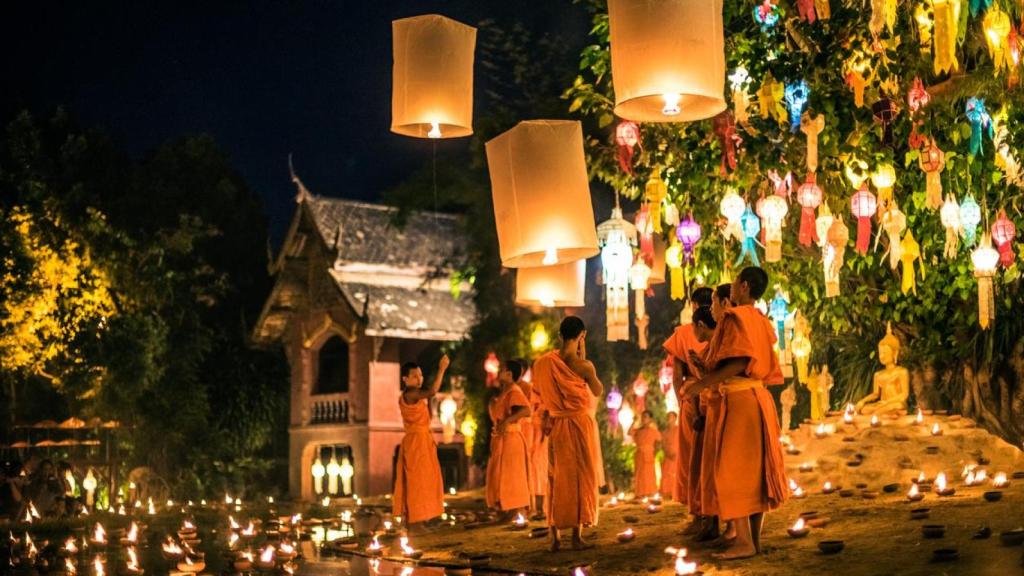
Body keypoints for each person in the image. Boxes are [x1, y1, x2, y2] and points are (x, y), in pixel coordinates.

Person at [685, 267, 789, 560]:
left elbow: (740, 360)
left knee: (731, 471)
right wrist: (707, 370)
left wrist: (702, 384)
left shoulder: (736, 317)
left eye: (733, 284)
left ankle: (744, 541)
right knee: (754, 473)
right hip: (757, 397)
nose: (729, 289)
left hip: (741, 401)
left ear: (743, 286)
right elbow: (742, 361)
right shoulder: (760, 319)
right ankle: (752, 540)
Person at [533, 316, 602, 552]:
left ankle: (555, 538)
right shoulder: (584, 366)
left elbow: (539, 394)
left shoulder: (543, 363)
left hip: (557, 425)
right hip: (580, 425)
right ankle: (576, 536)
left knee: (556, 477)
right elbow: (597, 390)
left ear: (560, 336)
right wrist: (584, 357)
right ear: (581, 336)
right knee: (582, 476)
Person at [662, 287, 713, 525]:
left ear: (693, 307)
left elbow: (677, 376)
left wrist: (682, 400)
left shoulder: (683, 333)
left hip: (692, 398)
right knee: (713, 455)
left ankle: (696, 513)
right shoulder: (721, 329)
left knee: (691, 457)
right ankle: (717, 512)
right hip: (716, 396)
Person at [392, 355, 450, 529]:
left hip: (423, 440)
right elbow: (432, 391)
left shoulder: (414, 394)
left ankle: (420, 518)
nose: (419, 379)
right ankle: (415, 521)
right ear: (405, 379)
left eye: (421, 375)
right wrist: (442, 369)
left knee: (425, 480)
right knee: (417, 481)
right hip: (416, 442)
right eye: (415, 376)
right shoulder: (410, 393)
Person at [485, 359, 533, 517]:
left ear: (510, 374)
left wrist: (507, 420)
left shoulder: (514, 391)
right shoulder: (506, 391)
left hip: (512, 439)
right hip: (503, 439)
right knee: (502, 475)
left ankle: (515, 511)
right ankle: (506, 509)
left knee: (512, 476)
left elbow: (526, 410)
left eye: (502, 370)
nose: (498, 373)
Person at [520, 363, 550, 520]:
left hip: (539, 434)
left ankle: (541, 508)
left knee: (540, 468)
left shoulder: (546, 392)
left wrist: (545, 427)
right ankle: (528, 507)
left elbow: (548, 413)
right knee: (527, 468)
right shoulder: (527, 391)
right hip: (527, 432)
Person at [630, 410, 661, 498]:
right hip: (639, 453)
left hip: (649, 453)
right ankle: (639, 493)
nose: (644, 419)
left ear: (650, 419)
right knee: (639, 473)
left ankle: (650, 492)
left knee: (649, 473)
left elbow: (659, 442)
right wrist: (633, 421)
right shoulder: (638, 430)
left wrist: (655, 452)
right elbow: (629, 432)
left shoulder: (653, 431)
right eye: (643, 417)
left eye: (646, 417)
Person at [659, 411, 679, 501]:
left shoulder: (679, 429)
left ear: (675, 418)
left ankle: (676, 493)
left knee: (676, 474)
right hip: (668, 455)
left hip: (677, 455)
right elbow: (663, 444)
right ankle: (667, 492)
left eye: (670, 416)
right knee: (666, 474)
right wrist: (667, 452)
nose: (669, 418)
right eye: (668, 416)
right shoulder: (665, 432)